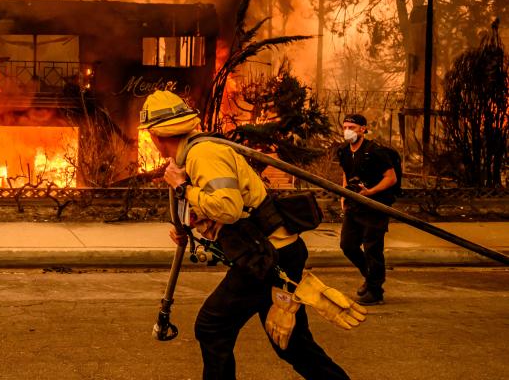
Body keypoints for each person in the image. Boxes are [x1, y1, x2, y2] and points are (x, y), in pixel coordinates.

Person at [139, 90, 350, 380]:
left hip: (268, 257)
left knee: (212, 326)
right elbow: (215, 205)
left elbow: (228, 207)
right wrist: (187, 228)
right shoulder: (190, 156)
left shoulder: (204, 154)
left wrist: (181, 188)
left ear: (155, 135)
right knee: (291, 345)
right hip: (273, 253)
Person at [337, 113, 397, 305]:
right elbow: (346, 174)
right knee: (348, 245)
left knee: (372, 248)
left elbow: (391, 178)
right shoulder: (344, 151)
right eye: (345, 127)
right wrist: (343, 195)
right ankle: (370, 278)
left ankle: (375, 291)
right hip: (354, 206)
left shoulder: (376, 151)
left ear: (363, 129)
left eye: (352, 128)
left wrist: (370, 192)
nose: (347, 131)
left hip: (375, 206)